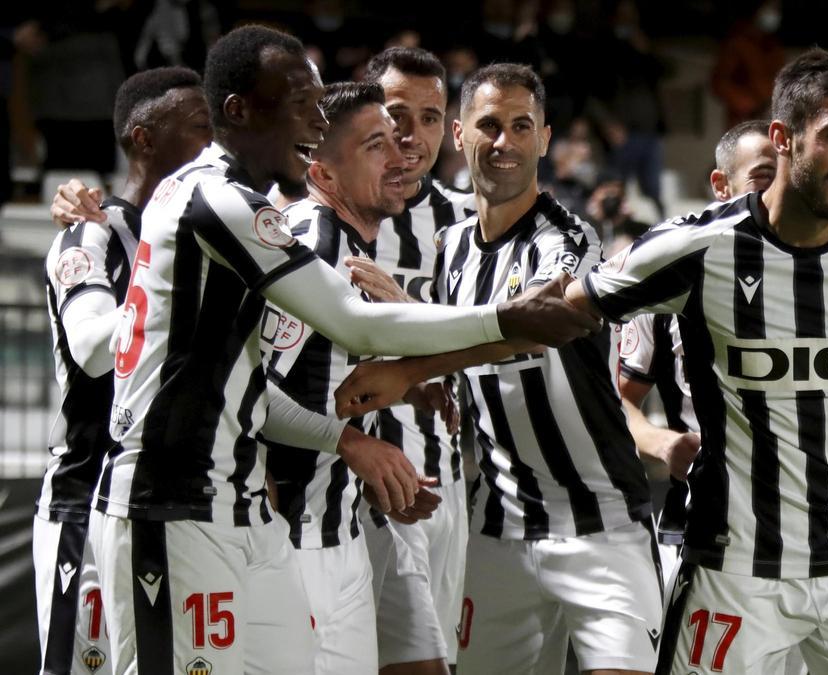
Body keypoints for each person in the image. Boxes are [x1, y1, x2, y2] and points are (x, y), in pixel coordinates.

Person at [89, 26, 596, 674]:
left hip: (246, 510)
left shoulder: (229, 198)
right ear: (241, 111)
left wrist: (369, 416)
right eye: (301, 101)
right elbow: (354, 322)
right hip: (173, 505)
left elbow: (245, 384)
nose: (317, 117)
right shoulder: (219, 202)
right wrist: (506, 318)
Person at [576, 48, 828, 674]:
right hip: (735, 570)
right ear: (783, 138)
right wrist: (412, 362)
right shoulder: (696, 249)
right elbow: (567, 313)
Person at [334, 63, 662, 675]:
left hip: (600, 526)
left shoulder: (567, 239)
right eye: (489, 125)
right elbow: (477, 352)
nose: (504, 142)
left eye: (521, 126)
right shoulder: (452, 247)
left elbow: (532, 331)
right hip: (496, 531)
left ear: (544, 138)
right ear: (461, 136)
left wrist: (411, 363)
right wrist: (424, 369)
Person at [260, 80, 446, 675]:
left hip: (342, 532)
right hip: (289, 545)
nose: (401, 156)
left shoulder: (351, 247)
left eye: (396, 140)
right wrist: (353, 444)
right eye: (375, 146)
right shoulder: (307, 248)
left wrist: (368, 470)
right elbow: (248, 397)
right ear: (324, 173)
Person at [35, 65, 210, 675]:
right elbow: (90, 349)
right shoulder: (92, 235)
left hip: (160, 504)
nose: (213, 142)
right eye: (198, 127)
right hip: (84, 499)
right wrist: (176, 312)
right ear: (144, 138)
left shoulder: (201, 237)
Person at [619, 119, 776, 588]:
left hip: (822, 530)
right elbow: (619, 400)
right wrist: (663, 443)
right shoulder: (668, 279)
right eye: (763, 178)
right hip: (703, 522)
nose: (777, 193)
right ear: (720, 185)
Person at [361, 47, 478, 672]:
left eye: (431, 117)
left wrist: (404, 307)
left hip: (441, 483)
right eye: (397, 113)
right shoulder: (313, 214)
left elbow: (491, 346)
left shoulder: (467, 223)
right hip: (347, 485)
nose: (413, 134)